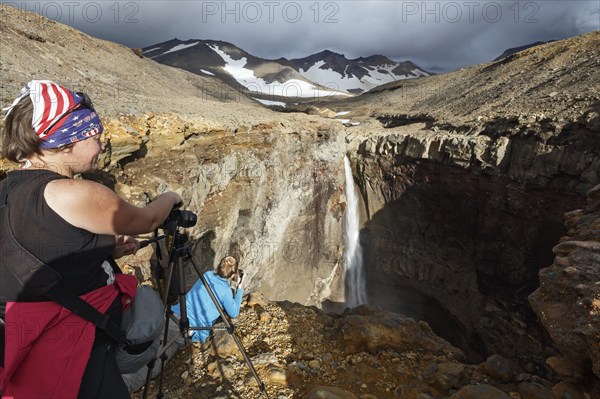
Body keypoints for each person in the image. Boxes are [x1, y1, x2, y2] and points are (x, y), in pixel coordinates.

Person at [0, 80, 182, 398]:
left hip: (21, 340)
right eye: (95, 137)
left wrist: (102, 249)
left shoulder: (8, 188)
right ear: (67, 139)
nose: (100, 147)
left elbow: (35, 246)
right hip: (75, 345)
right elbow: (148, 220)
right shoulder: (76, 193)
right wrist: (171, 197)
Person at [172, 255, 244, 343]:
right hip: (191, 328)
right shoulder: (226, 290)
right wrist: (239, 289)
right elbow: (234, 313)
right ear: (233, 275)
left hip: (176, 314)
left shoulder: (207, 274)